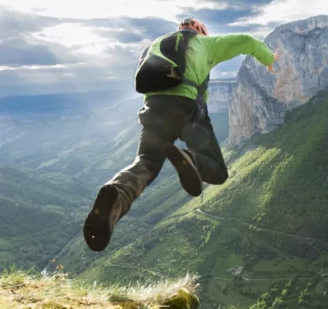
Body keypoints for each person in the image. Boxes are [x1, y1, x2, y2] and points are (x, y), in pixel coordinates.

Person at [83, 18, 279, 252]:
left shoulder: (153, 45)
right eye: (204, 33)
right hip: (186, 110)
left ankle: (117, 192)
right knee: (217, 171)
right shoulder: (203, 43)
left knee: (146, 161)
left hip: (153, 109)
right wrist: (267, 58)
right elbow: (245, 40)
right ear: (198, 29)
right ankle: (191, 159)